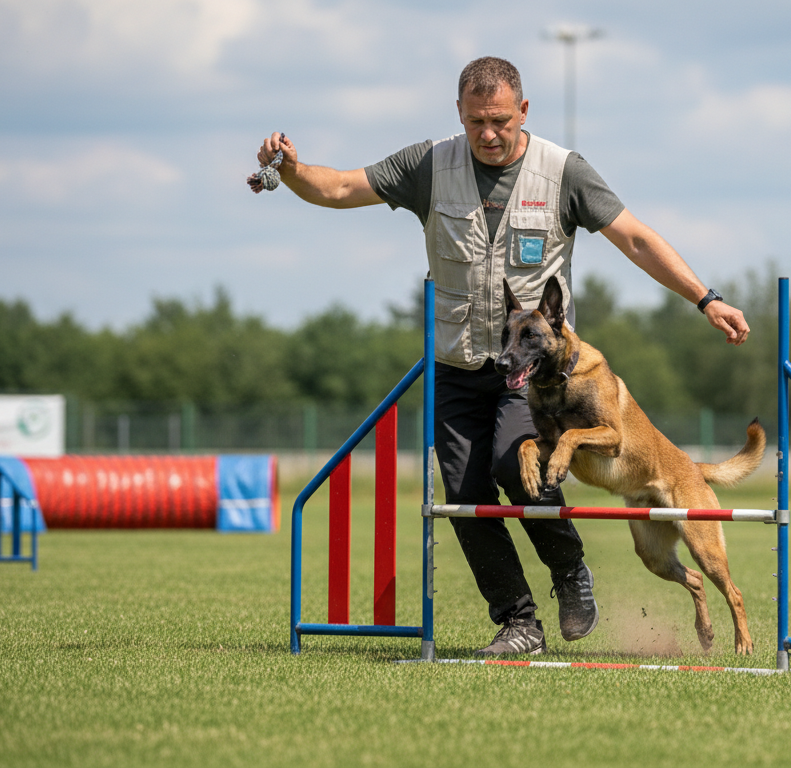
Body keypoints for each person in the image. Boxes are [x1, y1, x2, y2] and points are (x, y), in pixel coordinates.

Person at [251, 56, 749, 656]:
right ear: (459, 115)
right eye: (475, 122)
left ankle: (571, 575)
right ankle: (518, 621)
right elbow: (336, 188)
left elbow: (635, 237)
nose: (488, 134)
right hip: (456, 365)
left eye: (500, 121)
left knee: (519, 466)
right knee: (462, 496)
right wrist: (291, 167)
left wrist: (705, 298)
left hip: (533, 375)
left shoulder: (563, 171)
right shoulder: (429, 165)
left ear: (524, 112)